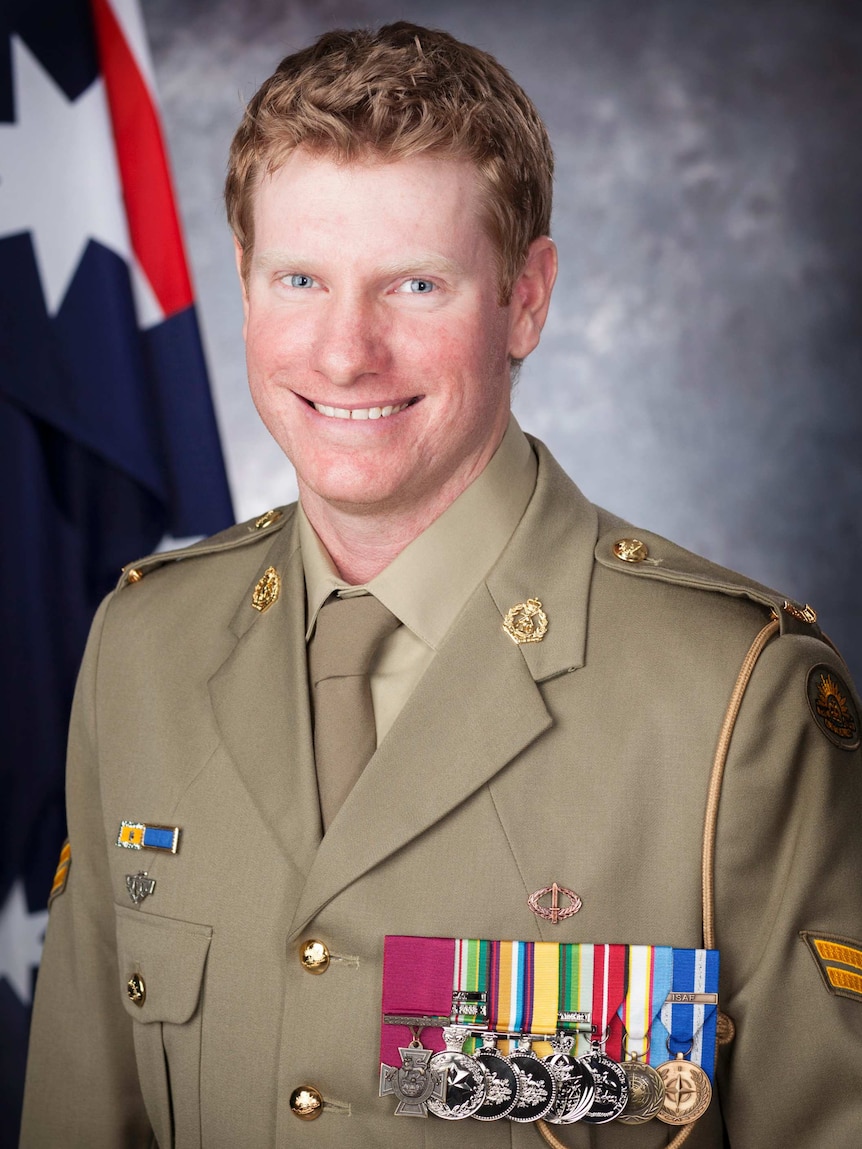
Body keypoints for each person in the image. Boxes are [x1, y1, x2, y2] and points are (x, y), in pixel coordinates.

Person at [20, 21, 862, 1149]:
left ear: (525, 298)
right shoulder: (144, 649)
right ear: (244, 285)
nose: (342, 351)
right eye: (301, 279)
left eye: (415, 285)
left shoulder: (729, 702)